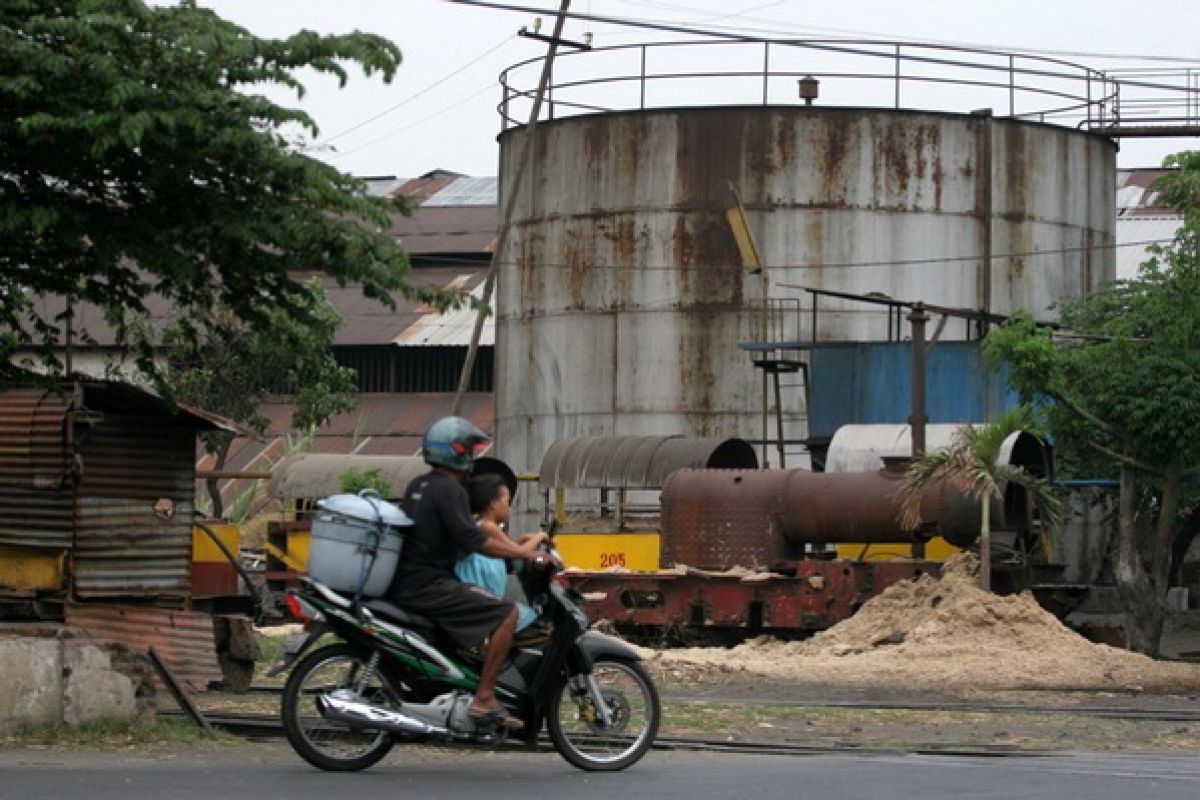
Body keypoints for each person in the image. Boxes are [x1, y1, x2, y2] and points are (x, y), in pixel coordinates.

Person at [385, 416, 543, 730]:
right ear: (456, 452)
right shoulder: (450, 490)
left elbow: (472, 534)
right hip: (429, 585)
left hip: (409, 582)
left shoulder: (421, 485)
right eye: (468, 450)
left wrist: (516, 548)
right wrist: (523, 552)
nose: (472, 457)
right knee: (506, 614)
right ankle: (484, 697)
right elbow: (475, 540)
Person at [458, 474, 549, 643]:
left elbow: (509, 549)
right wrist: (540, 536)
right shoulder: (487, 526)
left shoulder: (480, 524)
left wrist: (523, 538)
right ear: (493, 504)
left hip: (483, 595)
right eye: (507, 502)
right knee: (528, 618)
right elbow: (519, 552)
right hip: (481, 598)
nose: (510, 508)